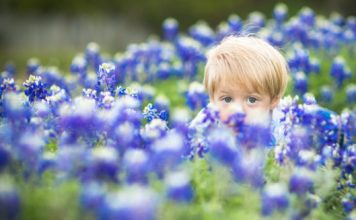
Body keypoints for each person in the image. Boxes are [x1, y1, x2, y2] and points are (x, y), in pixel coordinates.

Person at [188, 35, 290, 157]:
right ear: (212, 100)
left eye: (252, 100)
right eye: (227, 99)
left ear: (274, 101)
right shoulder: (206, 123)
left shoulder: (285, 124)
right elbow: (185, 151)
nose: (237, 110)